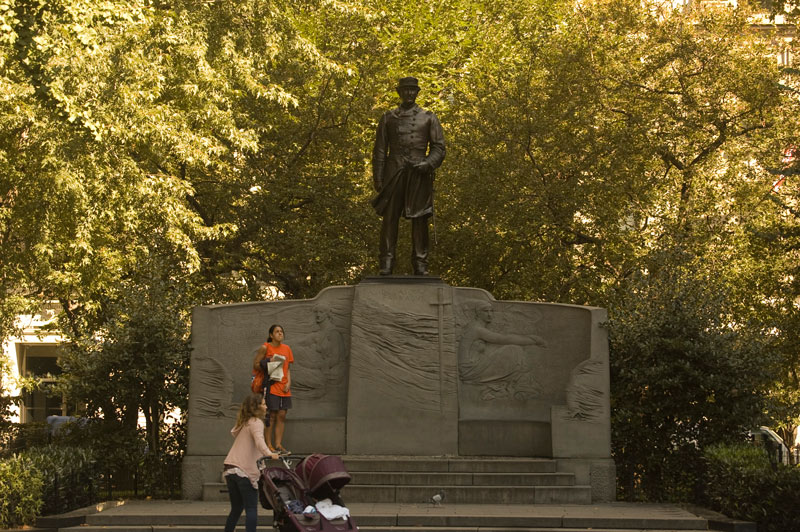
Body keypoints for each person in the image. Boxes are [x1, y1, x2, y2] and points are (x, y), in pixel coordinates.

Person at [371, 76, 446, 276]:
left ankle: (421, 263)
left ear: (417, 92)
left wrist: (427, 164)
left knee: (420, 219)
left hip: (419, 173)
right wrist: (378, 177)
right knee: (389, 219)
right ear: (400, 92)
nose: (409, 94)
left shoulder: (428, 117)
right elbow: (379, 150)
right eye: (405, 90)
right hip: (393, 172)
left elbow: (439, 147)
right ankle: (386, 262)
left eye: (413, 90)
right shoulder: (388, 117)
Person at [222, 394, 279, 532]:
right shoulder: (256, 422)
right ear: (256, 407)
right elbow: (260, 442)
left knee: (236, 508)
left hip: (230, 468)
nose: (266, 407)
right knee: (251, 509)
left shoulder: (246, 422)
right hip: (244, 471)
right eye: (264, 404)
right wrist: (270, 454)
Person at [252, 324, 294, 454]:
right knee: (271, 416)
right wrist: (270, 362)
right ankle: (268, 445)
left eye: (281, 331)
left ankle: (278, 445)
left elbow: (288, 368)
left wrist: (289, 383)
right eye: (277, 331)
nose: (280, 333)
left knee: (282, 415)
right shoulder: (265, 347)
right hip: (271, 385)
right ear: (271, 335)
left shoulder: (287, 349)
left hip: (284, 387)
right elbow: (256, 365)